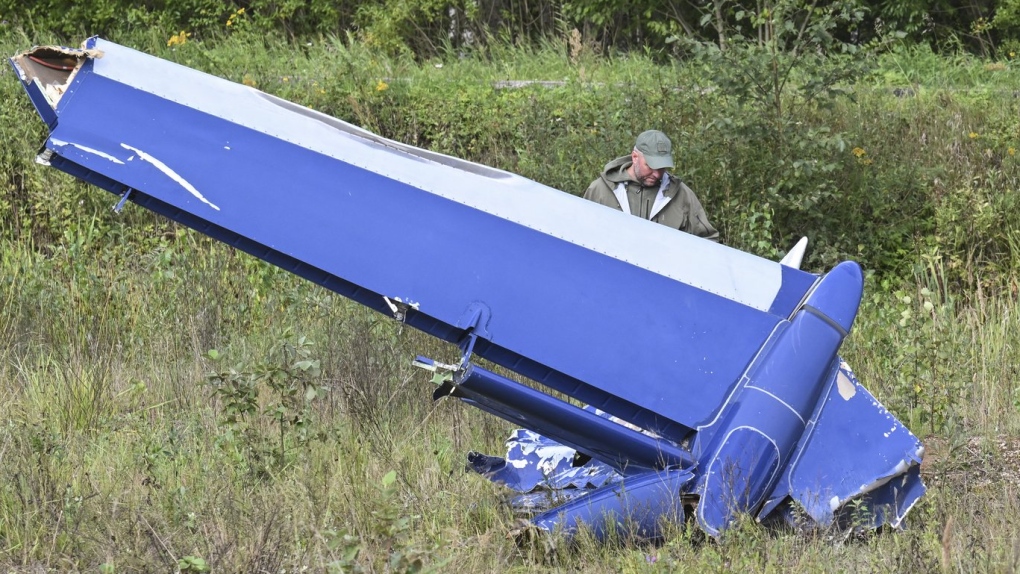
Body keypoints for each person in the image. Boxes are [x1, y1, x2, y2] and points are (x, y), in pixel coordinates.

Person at [583, 130, 719, 242]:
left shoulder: (682, 195)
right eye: (650, 166)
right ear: (635, 157)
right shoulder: (600, 190)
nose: (657, 174)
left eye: (662, 167)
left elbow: (708, 241)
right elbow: (581, 235)